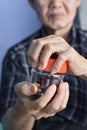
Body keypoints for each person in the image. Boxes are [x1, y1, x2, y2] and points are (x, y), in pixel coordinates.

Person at [0, 0, 87, 130]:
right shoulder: (16, 55)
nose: (56, 3)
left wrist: (84, 66)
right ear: (32, 3)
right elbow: (10, 126)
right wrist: (23, 108)